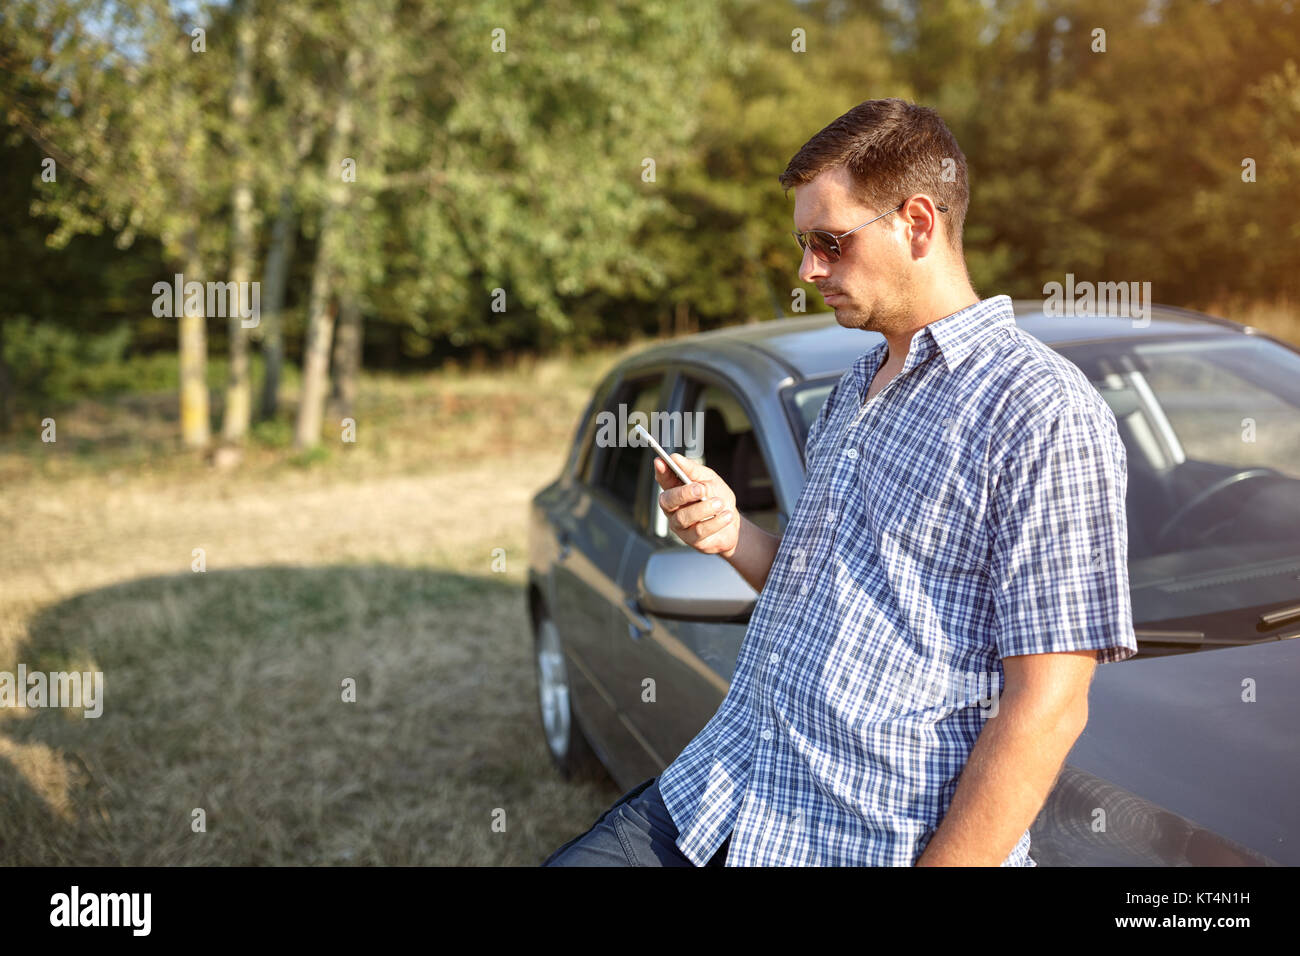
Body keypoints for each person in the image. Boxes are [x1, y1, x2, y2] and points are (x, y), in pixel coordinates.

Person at [543, 97, 1136, 867]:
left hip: (860, 841)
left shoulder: (1040, 410)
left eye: (830, 241)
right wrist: (732, 537)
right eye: (803, 242)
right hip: (723, 787)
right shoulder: (855, 385)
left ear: (918, 223)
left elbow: (1049, 705)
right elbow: (828, 591)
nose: (807, 269)